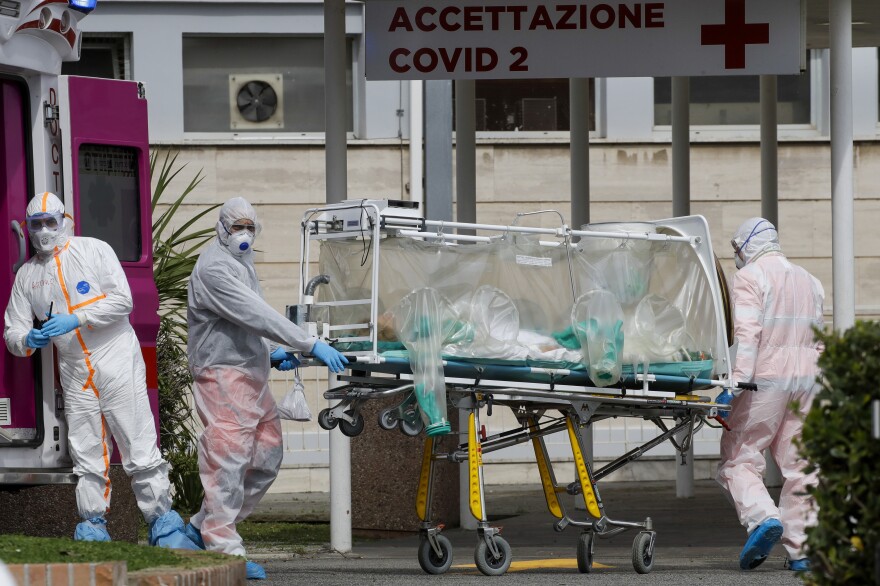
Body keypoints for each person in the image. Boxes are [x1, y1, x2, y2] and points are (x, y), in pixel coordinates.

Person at [3, 192, 198, 549]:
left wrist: (78, 317)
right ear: (27, 228)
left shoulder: (93, 250)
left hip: (115, 357)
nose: (44, 230)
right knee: (87, 452)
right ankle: (93, 527)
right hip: (75, 369)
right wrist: (28, 338)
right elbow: (12, 332)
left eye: (51, 221)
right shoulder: (27, 276)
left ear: (66, 220)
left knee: (138, 444)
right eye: (36, 224)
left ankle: (165, 528)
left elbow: (123, 300)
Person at [185, 197, 347, 580]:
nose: (243, 234)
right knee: (228, 459)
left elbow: (244, 321)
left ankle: (201, 526)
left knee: (267, 455)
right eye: (236, 226)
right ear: (221, 228)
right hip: (221, 372)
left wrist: (273, 352)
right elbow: (255, 313)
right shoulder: (214, 268)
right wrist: (308, 344)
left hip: (248, 370)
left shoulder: (242, 262)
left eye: (249, 227)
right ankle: (224, 549)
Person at [715, 217, 824, 573]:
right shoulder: (812, 281)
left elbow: (748, 336)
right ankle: (803, 551)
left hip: (764, 381)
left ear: (747, 245)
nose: (736, 256)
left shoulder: (750, 278)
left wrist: (735, 385)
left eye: (736, 249)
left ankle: (763, 518)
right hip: (805, 383)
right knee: (802, 465)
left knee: (739, 456)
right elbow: (819, 342)